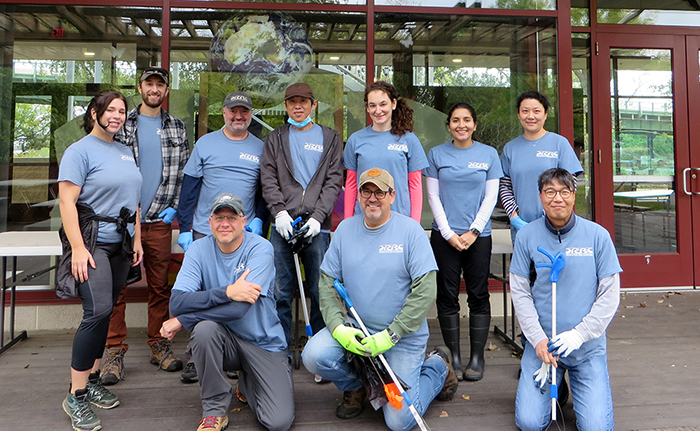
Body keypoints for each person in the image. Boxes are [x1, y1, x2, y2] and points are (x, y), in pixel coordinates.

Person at [302, 168, 458, 431]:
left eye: (379, 192)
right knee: (314, 356)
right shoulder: (344, 231)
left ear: (392, 195)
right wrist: (338, 328)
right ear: (359, 195)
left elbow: (426, 290)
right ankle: (358, 386)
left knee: (400, 421)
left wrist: (392, 334)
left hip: (401, 339)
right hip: (357, 330)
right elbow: (327, 283)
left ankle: (437, 368)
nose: (372, 198)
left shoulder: (411, 232)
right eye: (366, 191)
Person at [160, 193, 294, 431]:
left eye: (231, 217)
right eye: (219, 217)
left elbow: (240, 307)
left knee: (278, 422)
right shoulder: (198, 250)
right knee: (204, 331)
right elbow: (178, 302)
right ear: (209, 221)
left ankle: (248, 381)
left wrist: (184, 320)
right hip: (225, 341)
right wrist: (227, 292)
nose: (225, 223)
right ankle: (214, 410)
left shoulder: (261, 248)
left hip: (264, 343)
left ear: (244, 221)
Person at [510, 168, 621, 431]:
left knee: (596, 428)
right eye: (550, 192)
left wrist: (579, 335)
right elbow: (520, 292)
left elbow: (610, 296)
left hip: (586, 348)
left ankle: (568, 382)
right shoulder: (527, 236)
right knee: (528, 423)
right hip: (544, 349)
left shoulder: (597, 236)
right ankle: (555, 383)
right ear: (540, 197)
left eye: (564, 192)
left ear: (574, 196)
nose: (557, 198)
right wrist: (537, 339)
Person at [58, 89, 143, 431]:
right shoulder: (79, 151)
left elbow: (134, 198)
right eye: (110, 110)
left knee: (107, 309)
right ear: (94, 113)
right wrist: (78, 248)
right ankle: (75, 395)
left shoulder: (124, 151)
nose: (116, 116)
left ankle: (91, 379)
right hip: (91, 243)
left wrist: (136, 238)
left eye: (121, 111)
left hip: (120, 243)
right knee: (97, 311)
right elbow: (67, 203)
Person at [100, 67, 190, 386]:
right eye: (149, 83)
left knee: (159, 286)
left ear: (166, 90)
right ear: (140, 88)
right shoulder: (124, 124)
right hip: (123, 222)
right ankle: (114, 351)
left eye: (160, 84)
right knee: (117, 288)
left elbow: (183, 174)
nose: (154, 89)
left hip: (159, 222)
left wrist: (175, 209)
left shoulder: (177, 127)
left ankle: (158, 343)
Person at [176, 90, 266, 383]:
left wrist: (260, 219)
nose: (238, 116)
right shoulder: (206, 143)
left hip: (243, 232)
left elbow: (264, 190)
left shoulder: (260, 147)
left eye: (244, 112)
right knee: (201, 295)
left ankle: (227, 352)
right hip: (207, 229)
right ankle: (196, 356)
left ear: (250, 115)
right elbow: (189, 188)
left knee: (237, 293)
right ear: (224, 112)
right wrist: (186, 227)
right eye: (232, 111)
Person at [260, 82, 343, 356]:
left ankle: (320, 352)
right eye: (292, 102)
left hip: (317, 229)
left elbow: (333, 182)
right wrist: (279, 213)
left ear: (313, 105)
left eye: (304, 101)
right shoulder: (275, 139)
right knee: (280, 291)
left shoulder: (330, 138)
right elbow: (268, 179)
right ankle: (280, 351)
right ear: (285, 106)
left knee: (321, 293)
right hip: (283, 227)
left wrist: (319, 218)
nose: (298, 106)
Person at [424, 102, 503, 382]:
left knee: (478, 295)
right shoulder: (436, 154)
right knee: (446, 296)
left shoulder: (489, 154)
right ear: (448, 126)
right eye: (456, 120)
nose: (461, 125)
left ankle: (476, 358)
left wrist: (473, 231)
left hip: (478, 237)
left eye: (467, 120)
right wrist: (448, 233)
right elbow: (433, 197)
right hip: (445, 237)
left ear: (475, 124)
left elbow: (490, 197)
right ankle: (455, 357)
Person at [499, 90, 583, 240]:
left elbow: (571, 184)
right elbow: (504, 185)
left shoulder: (559, 143)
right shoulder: (510, 148)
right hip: (521, 228)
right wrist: (514, 217)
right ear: (518, 114)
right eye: (525, 111)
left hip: (555, 225)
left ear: (545, 114)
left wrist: (551, 215)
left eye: (536, 111)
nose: (530, 116)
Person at [343, 81, 428, 224]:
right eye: (372, 105)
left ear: (393, 104)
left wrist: (415, 224)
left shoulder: (409, 140)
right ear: (367, 108)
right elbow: (351, 184)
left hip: (400, 220)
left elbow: (415, 185)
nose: (378, 110)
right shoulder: (355, 140)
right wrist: (347, 222)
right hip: (363, 220)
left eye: (383, 104)